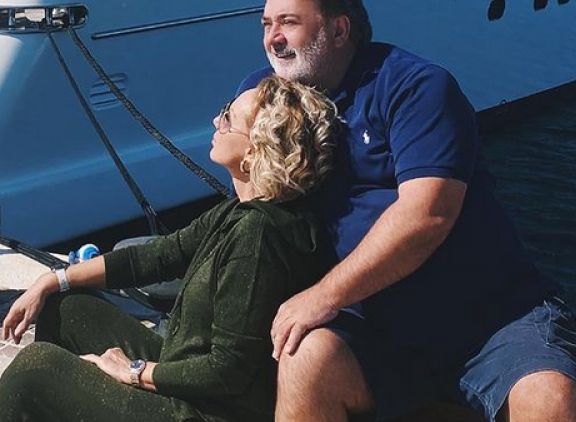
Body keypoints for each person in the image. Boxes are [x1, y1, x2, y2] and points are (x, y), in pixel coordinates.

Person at [237, 1, 576, 421]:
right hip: (375, 327)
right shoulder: (264, 96)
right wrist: (236, 155)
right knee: (305, 357)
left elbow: (428, 214)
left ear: (339, 30)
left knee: (549, 398)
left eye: (288, 23)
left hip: (490, 318)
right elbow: (261, 213)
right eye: (267, 25)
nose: (273, 38)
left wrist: (323, 296)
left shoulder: (413, 86)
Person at [0, 75, 339, 422]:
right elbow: (159, 256)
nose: (216, 121)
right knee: (66, 307)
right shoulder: (239, 212)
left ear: (253, 153)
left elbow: (228, 371)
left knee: (34, 370)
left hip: (202, 411)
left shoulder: (258, 239)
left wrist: (132, 371)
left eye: (228, 118)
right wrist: (54, 280)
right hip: (184, 376)